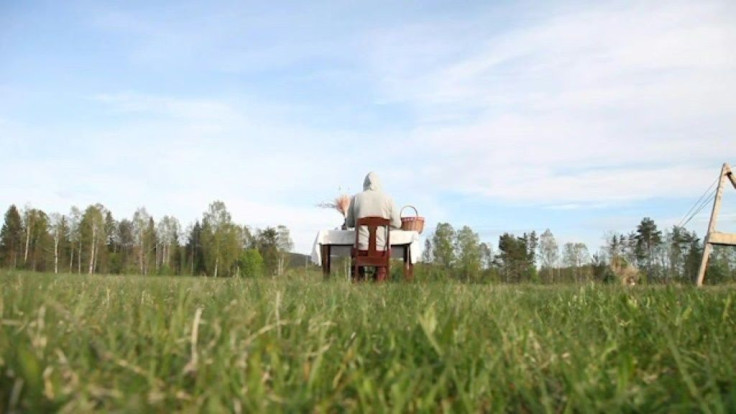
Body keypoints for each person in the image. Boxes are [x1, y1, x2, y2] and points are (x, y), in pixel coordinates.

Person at [346, 172, 401, 281]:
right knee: (382, 257)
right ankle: (379, 282)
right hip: (382, 250)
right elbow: (397, 224)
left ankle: (358, 281)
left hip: (360, 248)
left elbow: (350, 223)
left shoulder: (356, 198)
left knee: (354, 253)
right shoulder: (388, 199)